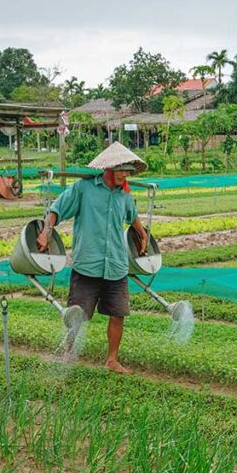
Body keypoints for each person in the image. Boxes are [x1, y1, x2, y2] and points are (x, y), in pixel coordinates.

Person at [36, 142, 148, 374]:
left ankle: (112, 360)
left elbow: (132, 216)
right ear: (108, 168)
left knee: (118, 314)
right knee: (77, 316)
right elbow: (56, 210)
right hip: (88, 264)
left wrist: (142, 233)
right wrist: (46, 233)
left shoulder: (125, 194)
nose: (126, 175)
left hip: (116, 265)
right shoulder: (83, 188)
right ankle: (68, 354)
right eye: (122, 170)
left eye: (129, 171)